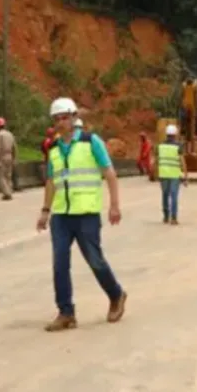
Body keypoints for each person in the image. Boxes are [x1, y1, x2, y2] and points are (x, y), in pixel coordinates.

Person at [36, 97, 126, 332]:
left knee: (95, 261)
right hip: (62, 216)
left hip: (86, 214)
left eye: (64, 117)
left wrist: (114, 205)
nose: (60, 123)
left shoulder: (90, 142)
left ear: (74, 117)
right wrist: (45, 211)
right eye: (56, 119)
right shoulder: (53, 148)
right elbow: (51, 181)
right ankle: (66, 312)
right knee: (59, 264)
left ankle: (116, 294)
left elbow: (109, 173)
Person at [156, 124, 187, 225]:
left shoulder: (160, 146)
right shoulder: (178, 146)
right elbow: (182, 162)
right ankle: (173, 218)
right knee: (174, 196)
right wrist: (185, 176)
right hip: (174, 175)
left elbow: (157, 161)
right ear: (175, 135)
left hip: (163, 174)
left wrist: (156, 173)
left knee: (165, 195)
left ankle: (166, 216)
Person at [0, 117, 17, 201]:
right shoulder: (10, 134)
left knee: (1, 176)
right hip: (10, 155)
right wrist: (14, 158)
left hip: (2, 156)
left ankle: (7, 193)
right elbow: (14, 147)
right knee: (8, 175)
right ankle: (10, 191)